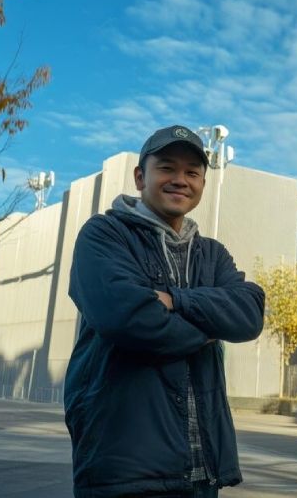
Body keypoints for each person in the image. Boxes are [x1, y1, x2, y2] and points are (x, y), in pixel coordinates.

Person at [63, 125, 265, 498]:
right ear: (141, 176)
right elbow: (129, 319)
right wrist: (210, 327)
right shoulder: (105, 235)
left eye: (192, 172)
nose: (180, 180)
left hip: (203, 470)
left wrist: (177, 300)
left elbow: (250, 313)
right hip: (125, 467)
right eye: (167, 168)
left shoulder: (212, 254)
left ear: (203, 183)